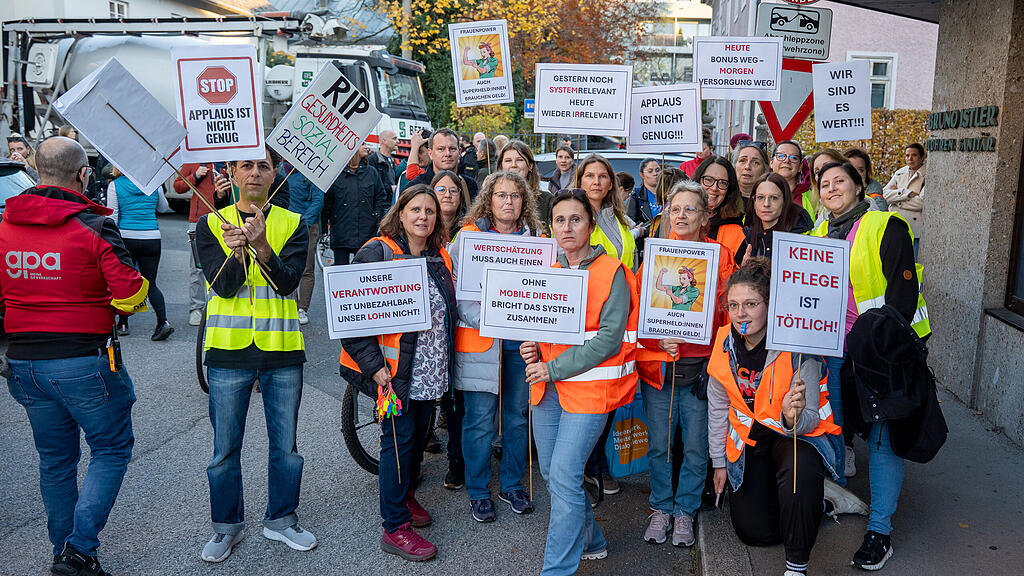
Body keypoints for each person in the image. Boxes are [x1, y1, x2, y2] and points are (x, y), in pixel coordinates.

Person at [1, 135, 147, 576]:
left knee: (55, 461)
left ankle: (61, 549)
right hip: (83, 360)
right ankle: (79, 550)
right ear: (83, 175)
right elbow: (131, 296)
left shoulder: (5, 224)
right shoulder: (94, 225)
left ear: (35, 173)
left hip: (23, 363)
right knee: (111, 449)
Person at [195, 146, 313, 563]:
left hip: (282, 350)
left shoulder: (294, 223)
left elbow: (286, 284)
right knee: (225, 449)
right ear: (232, 172)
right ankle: (226, 526)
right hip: (228, 352)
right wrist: (237, 251)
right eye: (246, 165)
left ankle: (281, 519)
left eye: (264, 165)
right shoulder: (210, 223)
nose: (255, 173)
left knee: (286, 448)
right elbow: (223, 287)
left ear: (275, 172)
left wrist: (261, 246)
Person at [811, 161, 929, 570]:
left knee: (881, 440)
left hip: (881, 351)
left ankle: (880, 530)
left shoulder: (885, 225)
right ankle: (838, 497)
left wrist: (879, 345)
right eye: (823, 184)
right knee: (835, 429)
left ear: (860, 185)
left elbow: (902, 295)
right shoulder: (817, 235)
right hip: (832, 350)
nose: (830, 189)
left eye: (839, 181)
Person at [520, 188, 639, 574]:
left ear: (590, 225)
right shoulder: (550, 271)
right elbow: (542, 327)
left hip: (589, 391)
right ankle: (592, 540)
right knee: (554, 474)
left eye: (575, 219)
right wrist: (532, 346)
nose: (567, 227)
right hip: (548, 389)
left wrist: (551, 368)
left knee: (567, 475)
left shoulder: (612, 273)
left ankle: (556, 570)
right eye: (559, 220)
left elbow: (607, 339)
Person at [338, 184, 457, 562]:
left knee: (416, 439)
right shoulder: (378, 252)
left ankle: (405, 497)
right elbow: (352, 318)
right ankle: (395, 527)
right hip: (391, 376)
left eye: (430, 211)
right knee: (396, 443)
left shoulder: (440, 257)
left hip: (428, 373)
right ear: (400, 213)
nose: (424, 217)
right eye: (416, 209)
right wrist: (375, 370)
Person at [707, 257, 842, 576]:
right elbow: (716, 406)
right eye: (734, 304)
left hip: (792, 437)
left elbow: (809, 419)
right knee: (755, 534)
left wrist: (792, 416)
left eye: (751, 303)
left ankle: (797, 566)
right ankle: (809, 505)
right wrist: (719, 462)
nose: (741, 313)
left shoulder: (799, 346)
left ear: (771, 305)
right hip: (750, 442)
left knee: (799, 471)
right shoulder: (724, 340)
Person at [635, 181, 735, 548]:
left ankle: (684, 512)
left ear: (705, 216)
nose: (681, 216)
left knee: (695, 447)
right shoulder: (657, 256)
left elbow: (732, 311)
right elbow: (637, 315)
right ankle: (661, 507)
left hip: (702, 373)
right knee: (660, 446)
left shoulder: (720, 256)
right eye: (675, 209)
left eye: (690, 209)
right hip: (661, 372)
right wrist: (655, 340)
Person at [449, 171, 544, 522]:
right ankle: (477, 490)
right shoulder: (468, 237)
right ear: (488, 199)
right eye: (501, 195)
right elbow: (458, 294)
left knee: (518, 418)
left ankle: (511, 484)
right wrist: (491, 319)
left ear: (525, 202)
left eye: (516, 195)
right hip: (480, 341)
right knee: (479, 421)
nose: (508, 201)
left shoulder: (537, 240)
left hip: (521, 345)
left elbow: (542, 291)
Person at [106, 167, 174, 340]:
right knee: (151, 283)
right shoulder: (153, 184)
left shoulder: (115, 185)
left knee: (125, 281)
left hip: (126, 237)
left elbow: (112, 218)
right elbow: (164, 207)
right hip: (151, 237)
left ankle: (122, 322)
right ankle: (163, 322)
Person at [175, 162, 232, 326]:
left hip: (225, 220)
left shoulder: (228, 162)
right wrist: (195, 176)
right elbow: (178, 187)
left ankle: (222, 305)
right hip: (198, 222)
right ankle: (196, 309)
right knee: (197, 268)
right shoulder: (193, 161)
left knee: (226, 264)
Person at [324, 143, 390, 265]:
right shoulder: (335, 174)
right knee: (341, 272)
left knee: (364, 275)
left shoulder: (372, 172)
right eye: (362, 144)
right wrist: (324, 228)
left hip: (366, 232)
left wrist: (377, 216)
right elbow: (327, 203)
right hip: (341, 234)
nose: (366, 147)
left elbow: (381, 197)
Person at [735, 172, 813, 264]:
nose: (766, 204)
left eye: (774, 198)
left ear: (785, 201)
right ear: (754, 202)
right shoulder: (746, 236)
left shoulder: (801, 238)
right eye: (760, 197)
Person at [578, 154, 637, 272]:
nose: (596, 182)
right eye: (590, 176)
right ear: (579, 182)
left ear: (610, 184)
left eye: (603, 176)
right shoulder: (569, 219)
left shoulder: (621, 219)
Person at [284, 167, 325, 325]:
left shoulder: (310, 174)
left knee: (306, 268)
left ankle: (302, 308)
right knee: (286, 266)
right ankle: (289, 304)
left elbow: (318, 201)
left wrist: (302, 223)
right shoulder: (279, 173)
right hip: (285, 226)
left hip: (306, 227)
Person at [692, 156, 746, 256]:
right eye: (708, 179)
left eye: (722, 183)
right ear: (697, 181)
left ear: (729, 190)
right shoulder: (676, 219)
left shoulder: (737, 233)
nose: (714, 188)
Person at [497, 139, 553, 230]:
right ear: (501, 166)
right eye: (508, 161)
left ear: (530, 165)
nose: (513, 165)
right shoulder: (492, 200)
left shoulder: (547, 201)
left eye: (519, 160)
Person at [409, 128, 480, 198]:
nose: (447, 154)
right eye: (441, 149)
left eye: (452, 149)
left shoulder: (470, 186)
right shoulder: (414, 187)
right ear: (430, 153)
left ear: (459, 152)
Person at [883, 143, 926, 259]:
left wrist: (896, 200)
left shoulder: (928, 175)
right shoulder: (900, 172)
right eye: (907, 155)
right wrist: (905, 193)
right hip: (896, 225)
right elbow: (884, 195)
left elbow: (921, 203)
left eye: (914, 155)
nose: (910, 159)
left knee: (913, 263)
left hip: (915, 229)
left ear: (922, 157)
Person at [806, 149, 848, 226]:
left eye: (827, 166)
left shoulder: (867, 207)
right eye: (817, 172)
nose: (822, 172)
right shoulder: (823, 210)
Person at [431, 170, 473, 240]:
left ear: (460, 198)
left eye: (453, 191)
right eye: (441, 190)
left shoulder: (470, 229)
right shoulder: (425, 227)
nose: (447, 195)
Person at [770, 140, 810, 209]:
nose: (787, 160)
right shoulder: (758, 192)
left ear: (800, 166)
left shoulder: (812, 197)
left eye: (793, 158)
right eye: (781, 156)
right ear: (771, 163)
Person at [627, 158, 664, 232]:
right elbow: (631, 222)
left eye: (657, 170)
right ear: (642, 175)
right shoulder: (636, 195)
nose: (655, 174)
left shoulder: (669, 194)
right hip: (644, 239)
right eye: (650, 171)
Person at [735, 143, 770, 211]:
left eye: (755, 162)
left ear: (765, 169)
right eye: (742, 161)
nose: (747, 167)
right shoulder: (723, 198)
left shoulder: (770, 202)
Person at [397, 131, 431, 197]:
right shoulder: (404, 173)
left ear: (430, 151)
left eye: (420, 152)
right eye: (415, 151)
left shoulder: (434, 170)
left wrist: (415, 146)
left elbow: (412, 175)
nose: (416, 156)